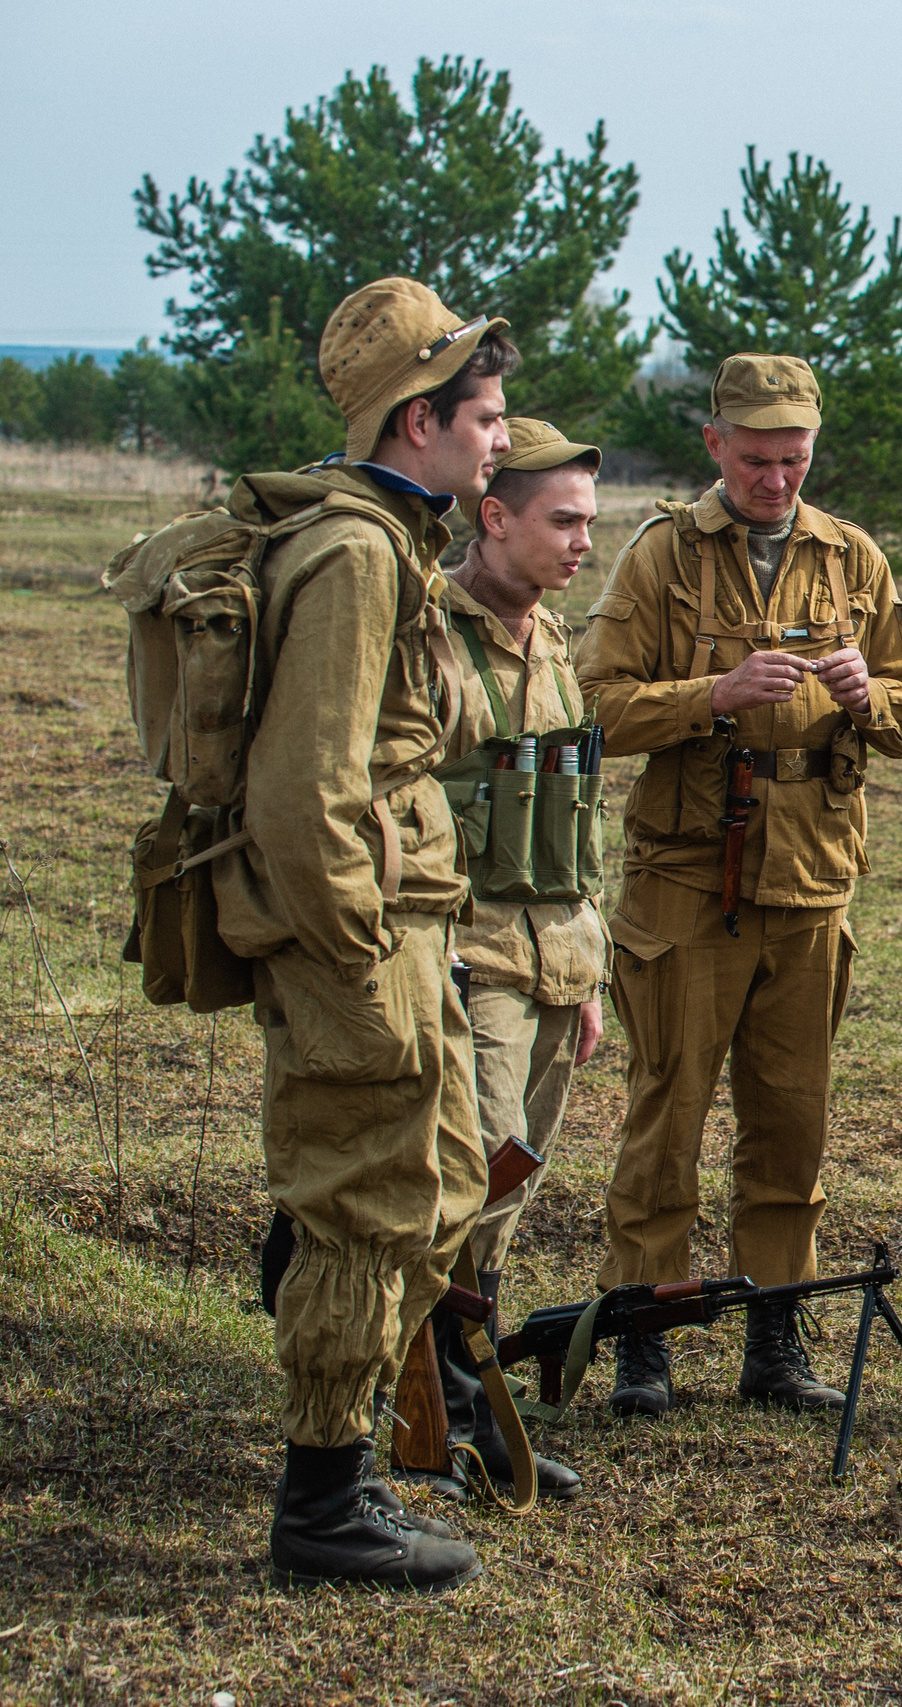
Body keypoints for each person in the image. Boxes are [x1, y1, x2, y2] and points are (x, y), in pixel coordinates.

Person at [576, 355, 902, 1418]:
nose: (775, 480)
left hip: (813, 880)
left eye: (792, 460)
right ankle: (642, 1340)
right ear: (714, 446)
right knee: (668, 1111)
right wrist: (715, 694)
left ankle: (774, 1345)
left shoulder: (853, 560)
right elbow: (592, 707)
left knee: (792, 1121)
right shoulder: (660, 558)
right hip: (688, 875)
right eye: (754, 460)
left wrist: (871, 695)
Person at [237, 278, 512, 1588]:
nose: (502, 437)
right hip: (362, 937)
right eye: (486, 414)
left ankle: (318, 1326)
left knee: (449, 1178)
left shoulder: (395, 540)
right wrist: (352, 954)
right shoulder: (353, 555)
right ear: (420, 420)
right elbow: (304, 790)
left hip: (407, 925)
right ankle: (322, 1495)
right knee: (369, 1197)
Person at [422, 418, 609, 1498]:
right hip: (468, 961)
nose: (584, 540)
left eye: (590, 520)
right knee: (459, 1191)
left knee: (508, 1196)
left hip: (553, 965)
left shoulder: (551, 643)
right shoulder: (432, 637)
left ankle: (475, 1404)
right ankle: (428, 1416)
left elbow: (574, 822)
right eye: (563, 520)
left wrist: (589, 972)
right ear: (494, 518)